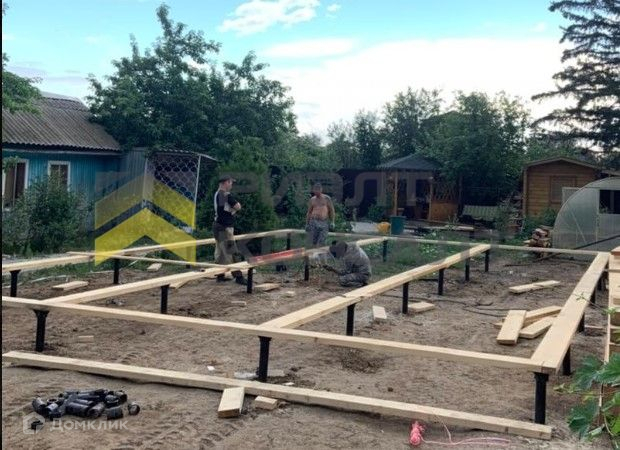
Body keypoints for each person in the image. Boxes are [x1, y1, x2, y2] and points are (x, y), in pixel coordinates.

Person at [212, 175, 246, 285]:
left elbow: (224, 209)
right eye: (231, 182)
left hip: (218, 226)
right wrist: (233, 208)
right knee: (232, 251)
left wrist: (231, 209)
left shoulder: (217, 194)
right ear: (226, 182)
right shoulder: (225, 195)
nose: (231, 185)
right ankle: (238, 277)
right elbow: (238, 207)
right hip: (224, 228)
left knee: (220, 252)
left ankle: (220, 275)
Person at [305, 182, 336, 248]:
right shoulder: (312, 199)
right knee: (313, 241)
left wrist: (332, 222)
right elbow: (309, 212)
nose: (316, 192)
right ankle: (313, 253)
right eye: (315, 190)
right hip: (313, 221)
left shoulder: (327, 198)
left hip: (323, 222)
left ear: (321, 190)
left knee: (322, 241)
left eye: (318, 190)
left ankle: (320, 253)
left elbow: (332, 210)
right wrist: (307, 223)